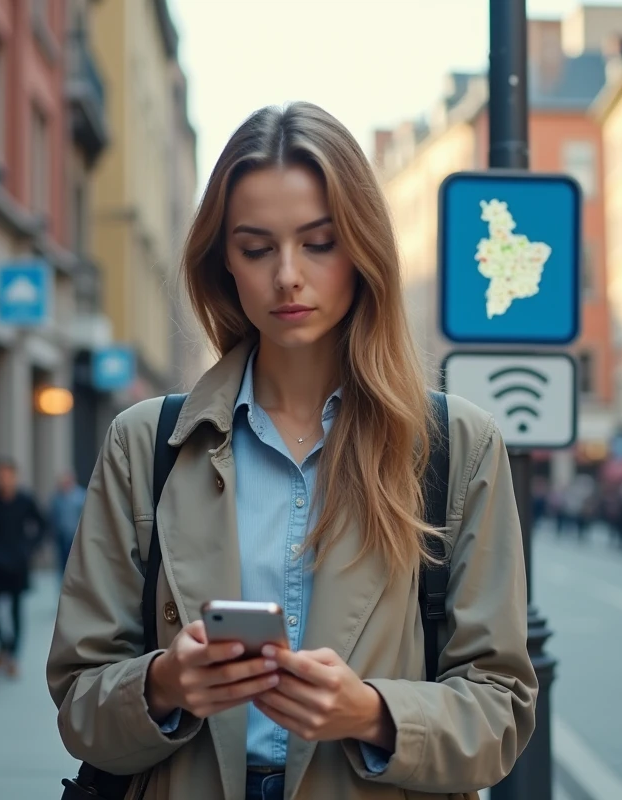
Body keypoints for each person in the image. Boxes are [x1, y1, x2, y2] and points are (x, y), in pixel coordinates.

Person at [48, 102, 538, 800]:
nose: (287, 276)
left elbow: (503, 709)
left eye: (318, 242)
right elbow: (78, 696)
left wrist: (372, 713)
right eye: (256, 247)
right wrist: (164, 683)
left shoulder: (456, 446)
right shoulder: (144, 443)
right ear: (223, 262)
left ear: (362, 247)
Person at [0, 458, 46, 678]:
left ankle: (13, 657)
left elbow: (43, 525)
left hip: (17, 565)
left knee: (16, 611)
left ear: (15, 477)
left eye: (7, 475)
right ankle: (4, 644)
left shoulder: (25, 500)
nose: (3, 479)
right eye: (0, 475)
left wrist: (28, 549)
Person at [50, 470, 87, 574]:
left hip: (75, 536)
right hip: (61, 536)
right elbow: (53, 517)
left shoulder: (80, 496)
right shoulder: (57, 498)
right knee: (62, 563)